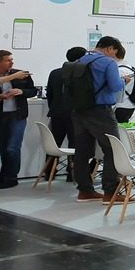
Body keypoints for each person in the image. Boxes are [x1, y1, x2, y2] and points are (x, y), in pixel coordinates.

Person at [71, 36, 133, 203]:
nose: (114, 57)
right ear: (110, 48)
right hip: (100, 111)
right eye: (115, 53)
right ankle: (110, 192)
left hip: (78, 111)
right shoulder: (107, 62)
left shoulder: (80, 60)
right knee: (113, 149)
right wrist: (124, 80)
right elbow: (115, 86)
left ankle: (85, 191)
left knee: (82, 151)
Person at [46, 46, 86, 181]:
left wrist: (54, 108)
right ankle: (72, 173)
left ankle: (49, 172)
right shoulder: (81, 73)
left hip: (56, 112)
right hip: (75, 113)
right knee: (75, 143)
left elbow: (50, 94)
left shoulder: (55, 73)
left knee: (54, 143)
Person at [0, 50, 36, 188]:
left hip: (17, 115)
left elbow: (33, 91)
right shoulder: (15, 75)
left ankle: (11, 177)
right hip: (1, 115)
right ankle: (4, 176)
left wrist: (22, 92)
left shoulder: (21, 74)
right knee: (3, 147)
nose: (11, 62)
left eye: (11, 59)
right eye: (7, 60)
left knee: (12, 147)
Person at [114, 45, 135, 123]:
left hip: (120, 106)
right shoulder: (130, 68)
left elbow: (116, 88)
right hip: (130, 104)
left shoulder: (119, 70)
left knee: (118, 129)